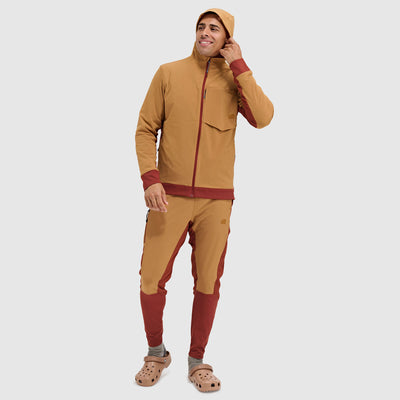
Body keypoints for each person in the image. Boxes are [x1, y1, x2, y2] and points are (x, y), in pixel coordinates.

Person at [134, 8, 274, 392]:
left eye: (214, 28)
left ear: (227, 37)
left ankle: (197, 362)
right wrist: (151, 179)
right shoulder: (168, 73)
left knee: (208, 281)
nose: (205, 33)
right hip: (169, 196)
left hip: (216, 201)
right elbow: (145, 128)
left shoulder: (234, 80)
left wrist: (239, 65)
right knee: (150, 278)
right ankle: (156, 353)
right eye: (201, 26)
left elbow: (264, 117)